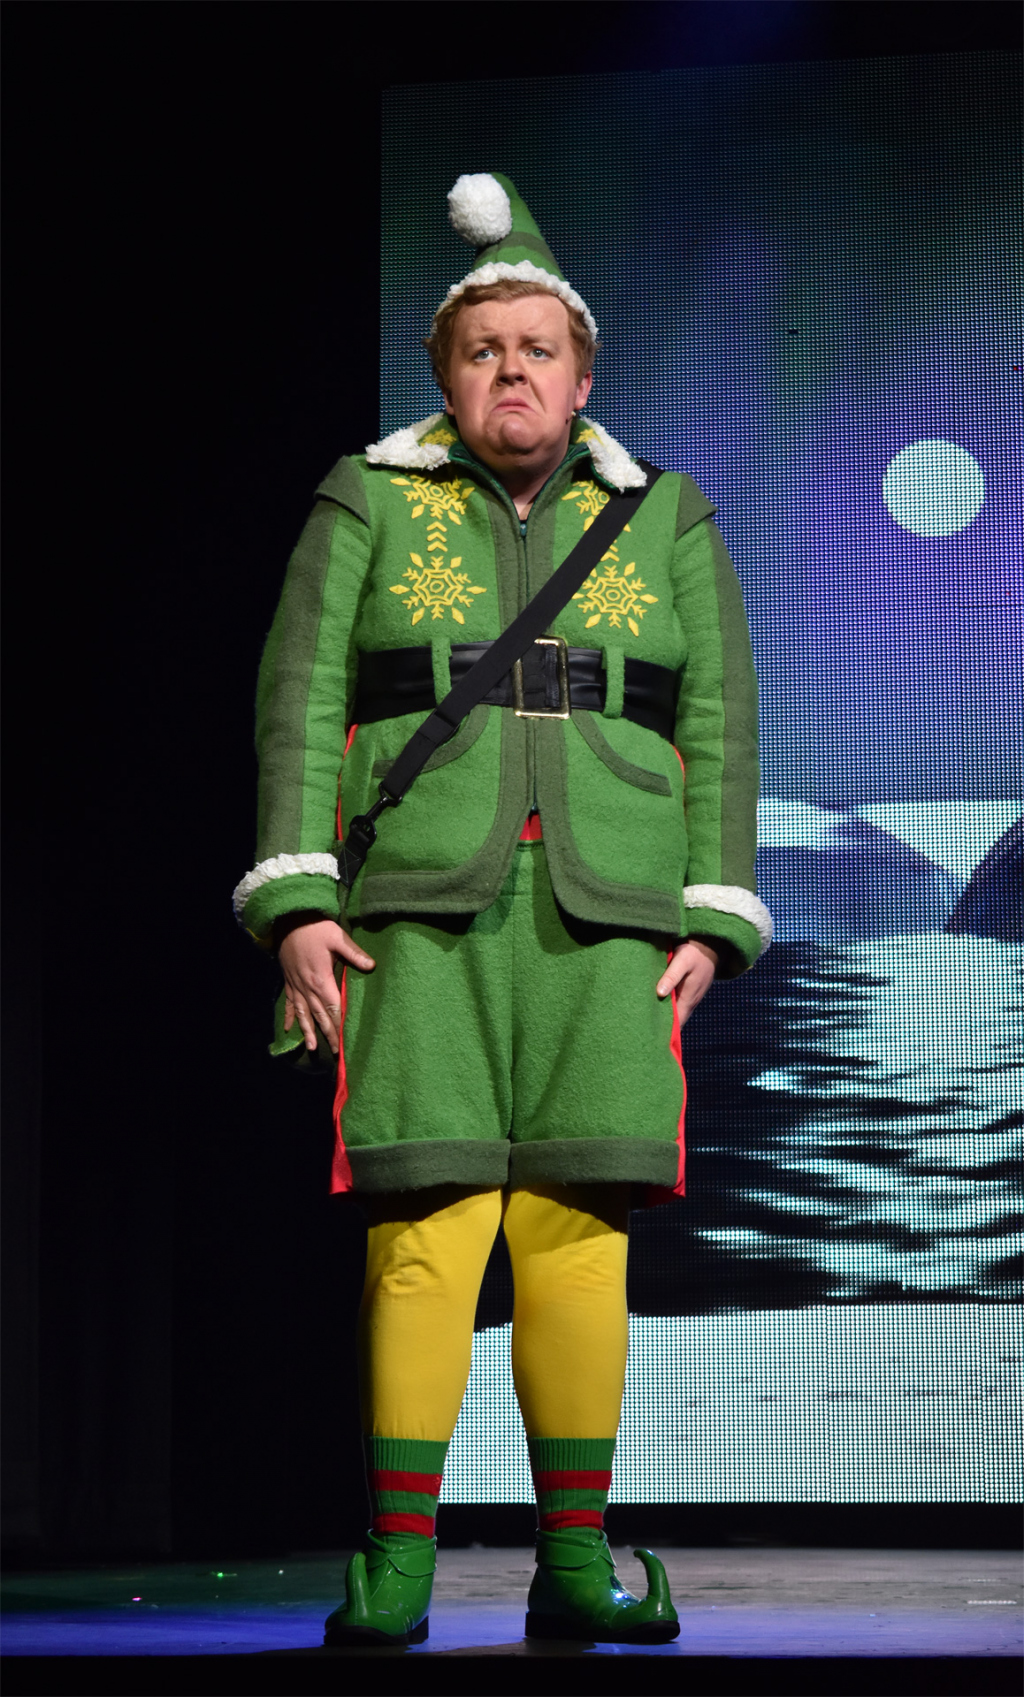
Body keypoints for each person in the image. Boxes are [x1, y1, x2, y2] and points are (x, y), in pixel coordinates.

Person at [233, 172, 771, 1647]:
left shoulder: (663, 514)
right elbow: (300, 704)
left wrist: (711, 915)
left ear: (583, 376)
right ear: (445, 372)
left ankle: (575, 1566)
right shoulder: (365, 498)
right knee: (425, 1228)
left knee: (577, 1237)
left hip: (613, 920)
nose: (512, 371)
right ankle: (397, 1563)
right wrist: (295, 899)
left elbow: (721, 720)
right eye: (485, 350)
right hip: (415, 916)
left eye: (539, 349)